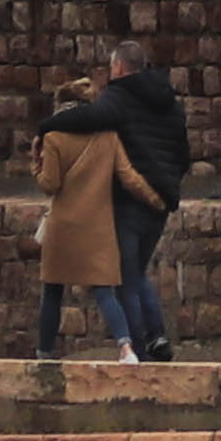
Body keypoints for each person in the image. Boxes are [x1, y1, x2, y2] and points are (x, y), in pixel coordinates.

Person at [39, 37, 193, 360]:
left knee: (124, 278)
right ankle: (157, 338)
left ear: (119, 67)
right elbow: (183, 156)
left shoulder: (119, 97)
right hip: (161, 202)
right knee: (136, 272)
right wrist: (168, 191)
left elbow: (87, 118)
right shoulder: (171, 103)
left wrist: (47, 126)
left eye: (111, 68)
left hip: (131, 201)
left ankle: (135, 349)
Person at [32, 99, 160, 356]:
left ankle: (43, 354)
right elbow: (129, 177)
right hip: (98, 229)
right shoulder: (109, 137)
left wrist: (35, 164)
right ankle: (125, 347)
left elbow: (50, 185)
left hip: (63, 228)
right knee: (104, 292)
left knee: (53, 291)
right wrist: (156, 199)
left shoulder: (54, 138)